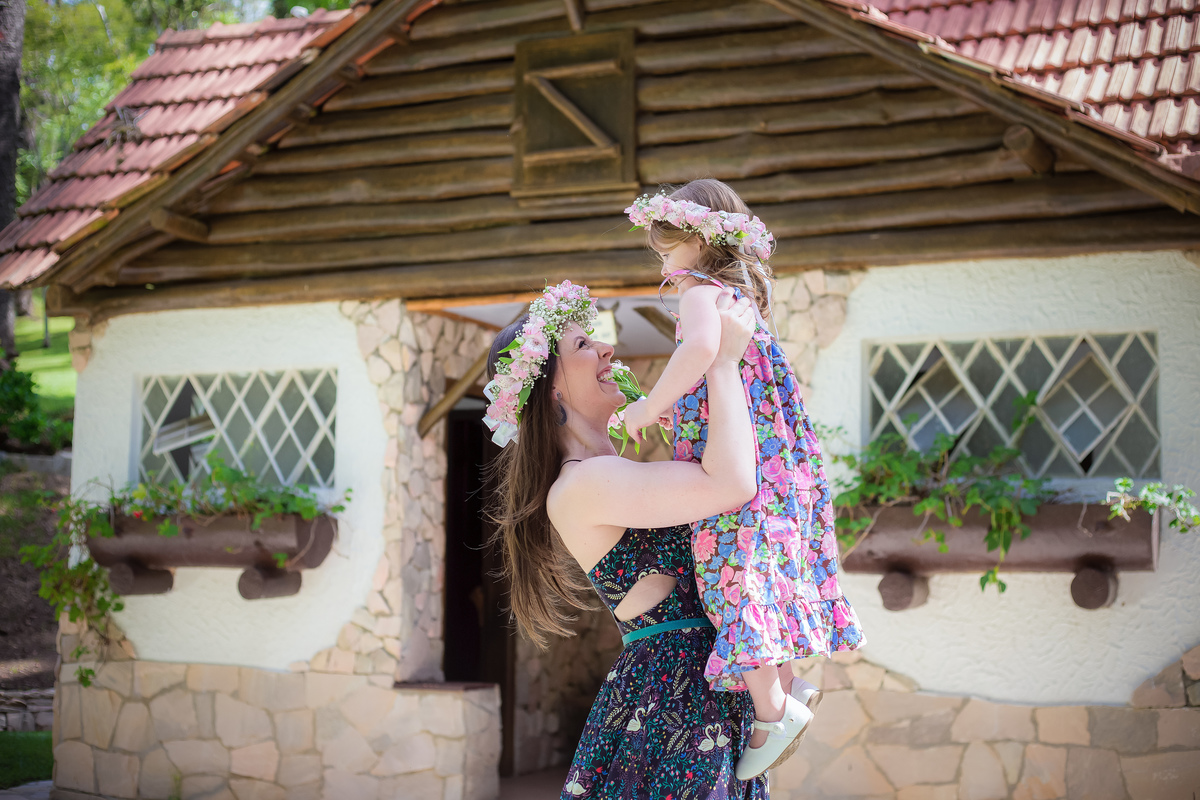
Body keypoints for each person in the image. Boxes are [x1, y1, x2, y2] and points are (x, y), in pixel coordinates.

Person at [482, 280, 771, 799]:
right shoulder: (581, 484)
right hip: (675, 705)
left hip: (697, 693)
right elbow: (731, 484)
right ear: (552, 389)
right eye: (582, 344)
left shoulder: (608, 473)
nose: (606, 349)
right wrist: (722, 362)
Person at [620, 179, 866, 779]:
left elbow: (700, 351)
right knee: (760, 565)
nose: (664, 264)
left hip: (734, 464)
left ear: (699, 243)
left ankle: (773, 710)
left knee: (730, 571)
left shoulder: (701, 295)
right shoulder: (744, 298)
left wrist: (648, 407)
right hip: (775, 463)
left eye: (667, 249)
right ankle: (789, 685)